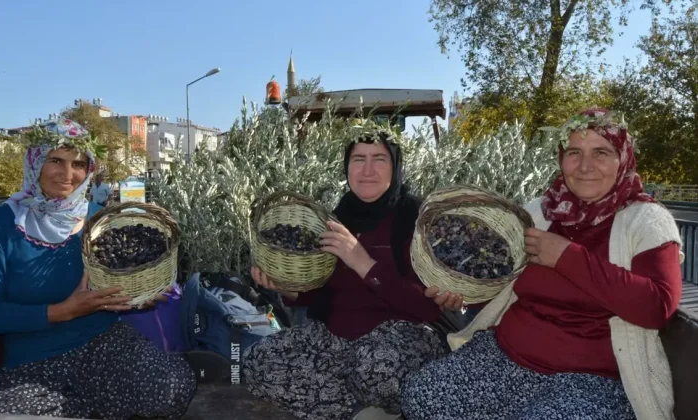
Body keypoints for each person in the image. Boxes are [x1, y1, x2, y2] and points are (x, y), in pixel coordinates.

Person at [401, 109, 683, 420]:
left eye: (601, 152)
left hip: (593, 380)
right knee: (423, 396)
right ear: (562, 159)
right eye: (574, 152)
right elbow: (502, 278)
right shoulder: (541, 212)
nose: (586, 166)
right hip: (507, 357)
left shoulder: (647, 221)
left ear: (623, 159)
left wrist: (567, 257)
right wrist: (463, 296)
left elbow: (657, 307)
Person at [0, 118, 196, 419]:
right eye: (56, 160)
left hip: (103, 346)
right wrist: (64, 311)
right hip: (32, 362)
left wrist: (135, 297)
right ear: (35, 161)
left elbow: (115, 284)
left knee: (171, 390)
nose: (67, 174)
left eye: (78, 164)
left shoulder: (100, 220)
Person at [244, 129, 463, 420]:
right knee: (258, 361)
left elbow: (426, 306)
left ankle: (367, 402)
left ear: (395, 166)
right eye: (358, 159)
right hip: (336, 337)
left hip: (398, 338)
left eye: (379, 159)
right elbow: (320, 291)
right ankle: (358, 412)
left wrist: (362, 261)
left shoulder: (418, 219)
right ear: (347, 167)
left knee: (376, 368)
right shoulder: (336, 217)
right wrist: (284, 288)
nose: (368, 170)